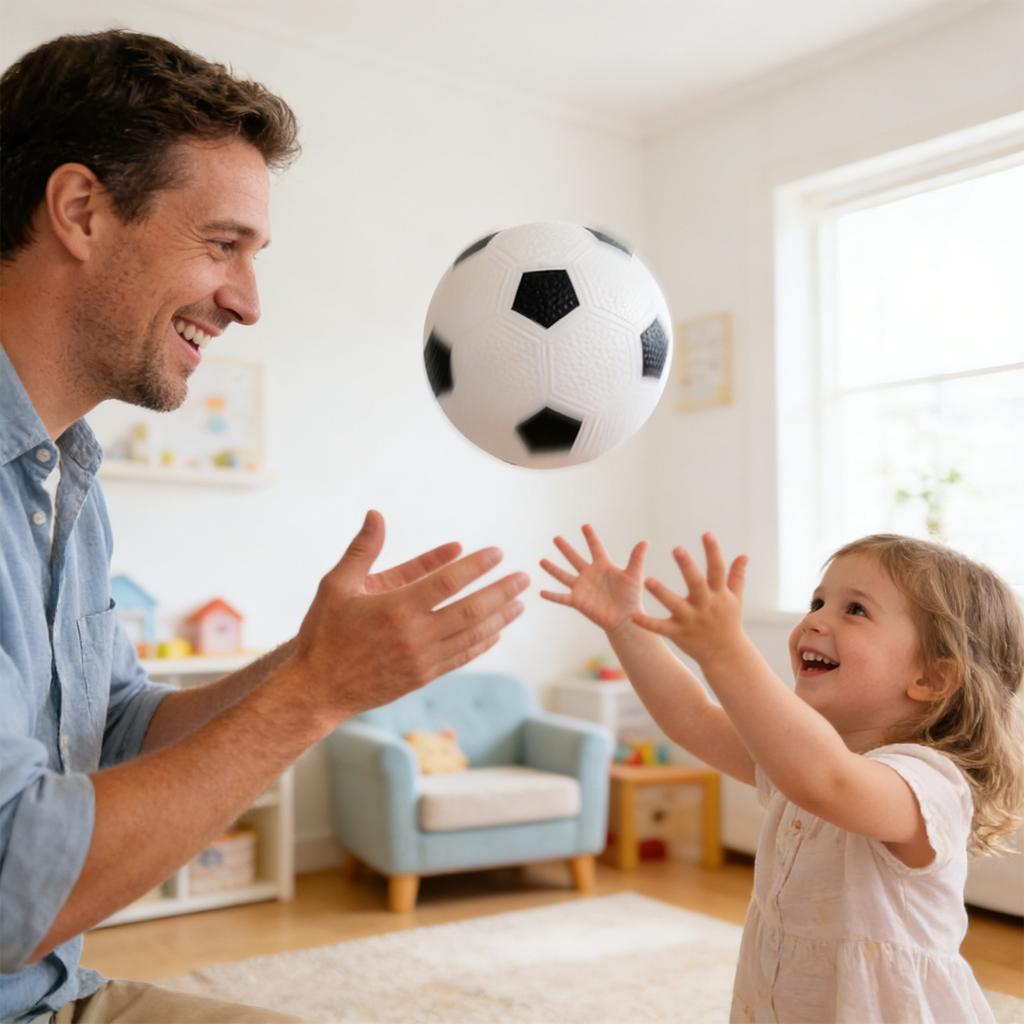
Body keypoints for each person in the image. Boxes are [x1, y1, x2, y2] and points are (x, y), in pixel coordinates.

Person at [0, 30, 529, 1023]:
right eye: (222, 244)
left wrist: (311, 661)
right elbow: (10, 886)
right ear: (79, 211)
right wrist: (321, 694)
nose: (246, 300)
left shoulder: (62, 481)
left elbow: (117, 733)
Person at [541, 526, 1023, 1022]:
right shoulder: (795, 761)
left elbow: (826, 782)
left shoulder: (928, 782)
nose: (814, 621)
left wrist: (726, 651)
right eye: (817, 602)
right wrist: (625, 626)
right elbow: (693, 719)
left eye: (854, 609)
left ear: (931, 678)